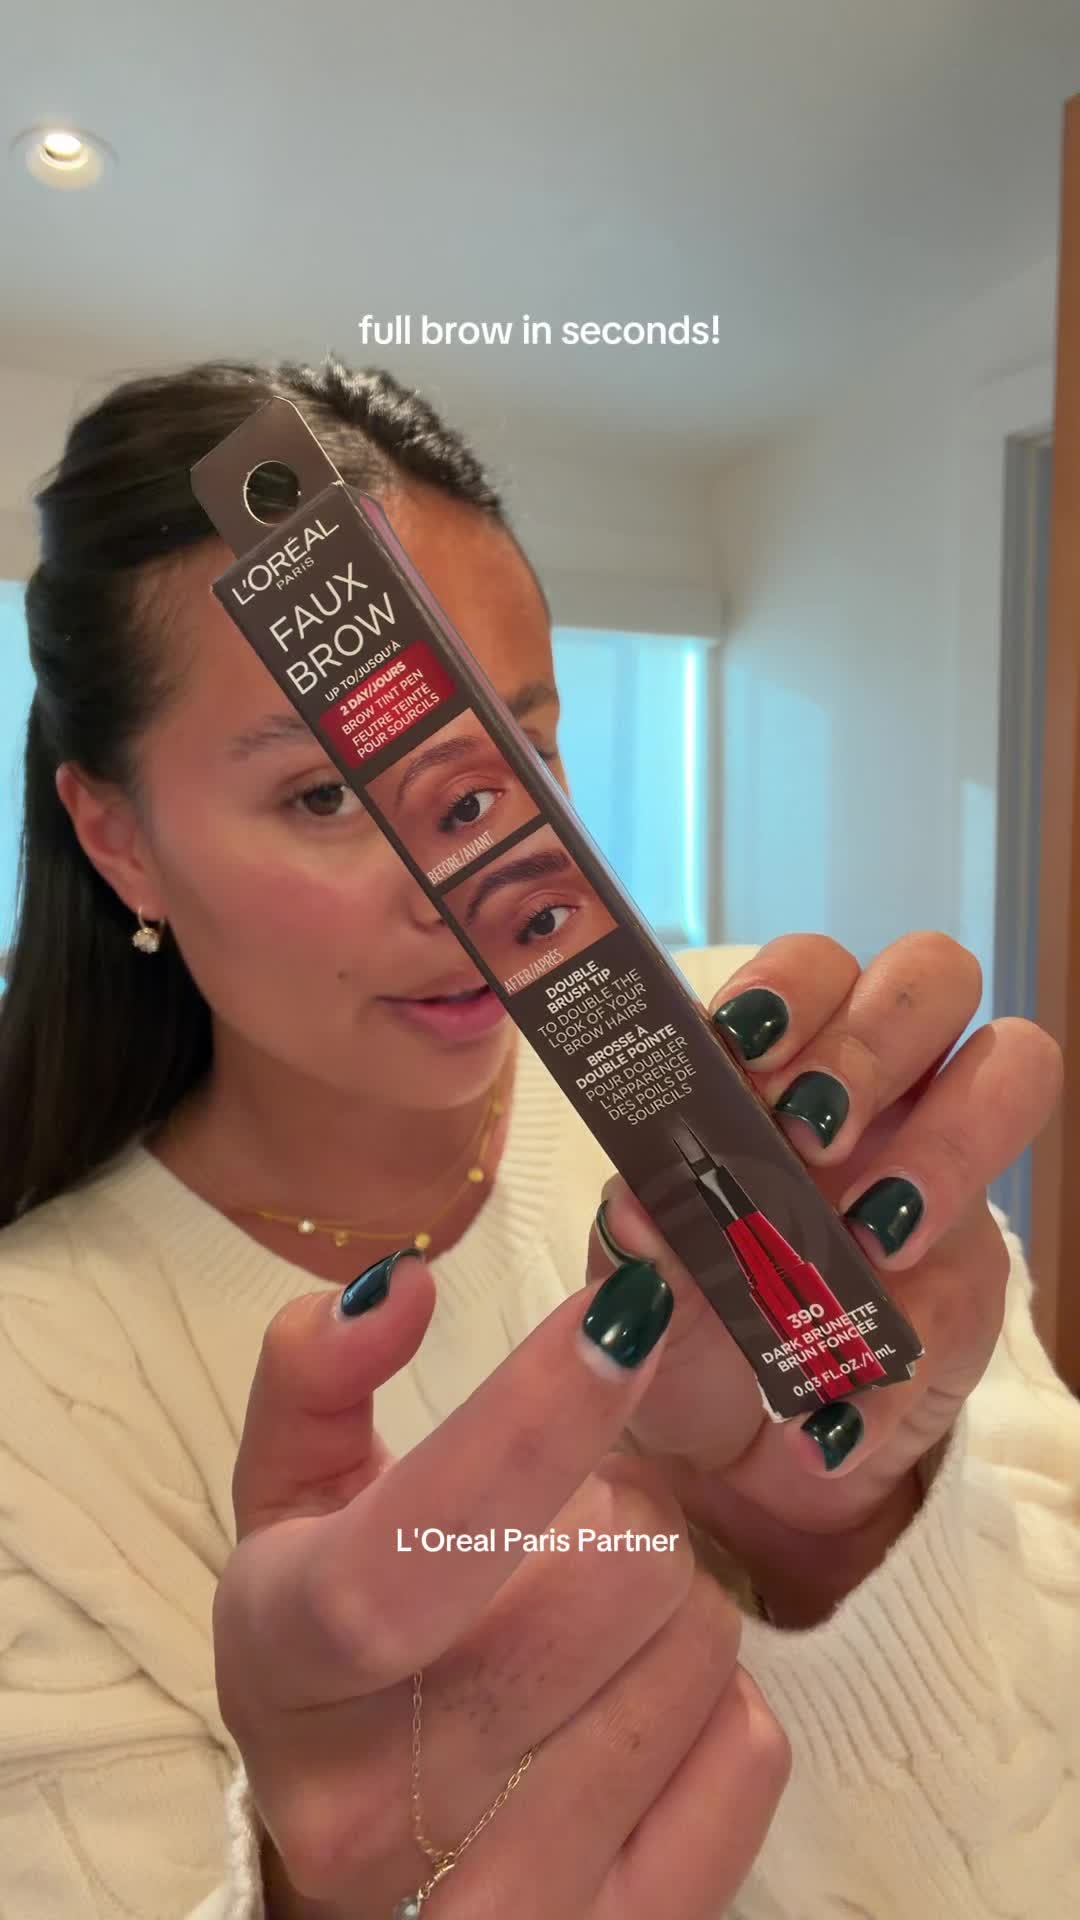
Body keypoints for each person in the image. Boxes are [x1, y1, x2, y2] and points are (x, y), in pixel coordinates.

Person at [0, 356, 1075, 1920]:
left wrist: (849, 1536)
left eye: (518, 753)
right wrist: (303, 1897)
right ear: (119, 838)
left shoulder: (768, 1098)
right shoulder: (33, 1385)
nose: (477, 879)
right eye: (324, 795)